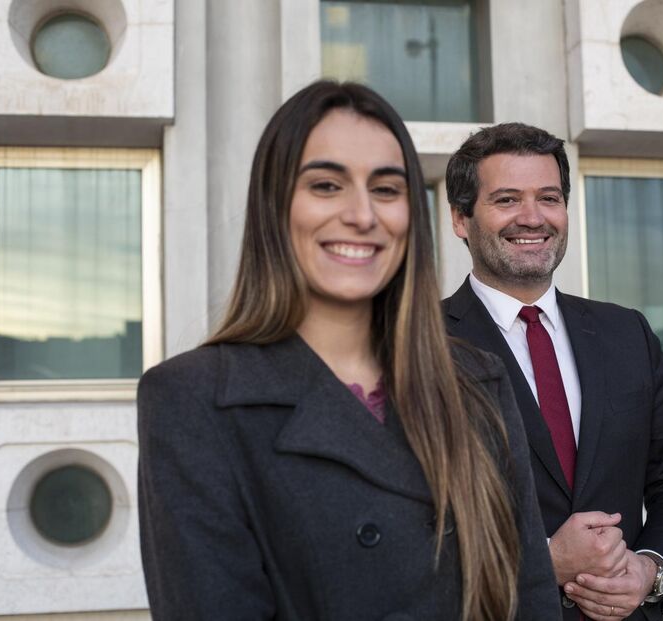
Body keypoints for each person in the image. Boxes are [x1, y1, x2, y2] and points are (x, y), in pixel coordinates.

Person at [137, 83, 559, 621]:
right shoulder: (193, 399)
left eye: (386, 189)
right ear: (275, 204)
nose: (362, 215)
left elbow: (532, 595)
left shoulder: (477, 380)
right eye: (327, 184)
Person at [442, 122, 663, 621]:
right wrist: (542, 562)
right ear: (461, 218)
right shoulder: (419, 346)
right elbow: (400, 530)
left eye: (549, 197)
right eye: (506, 200)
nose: (532, 218)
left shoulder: (627, 333)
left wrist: (651, 570)